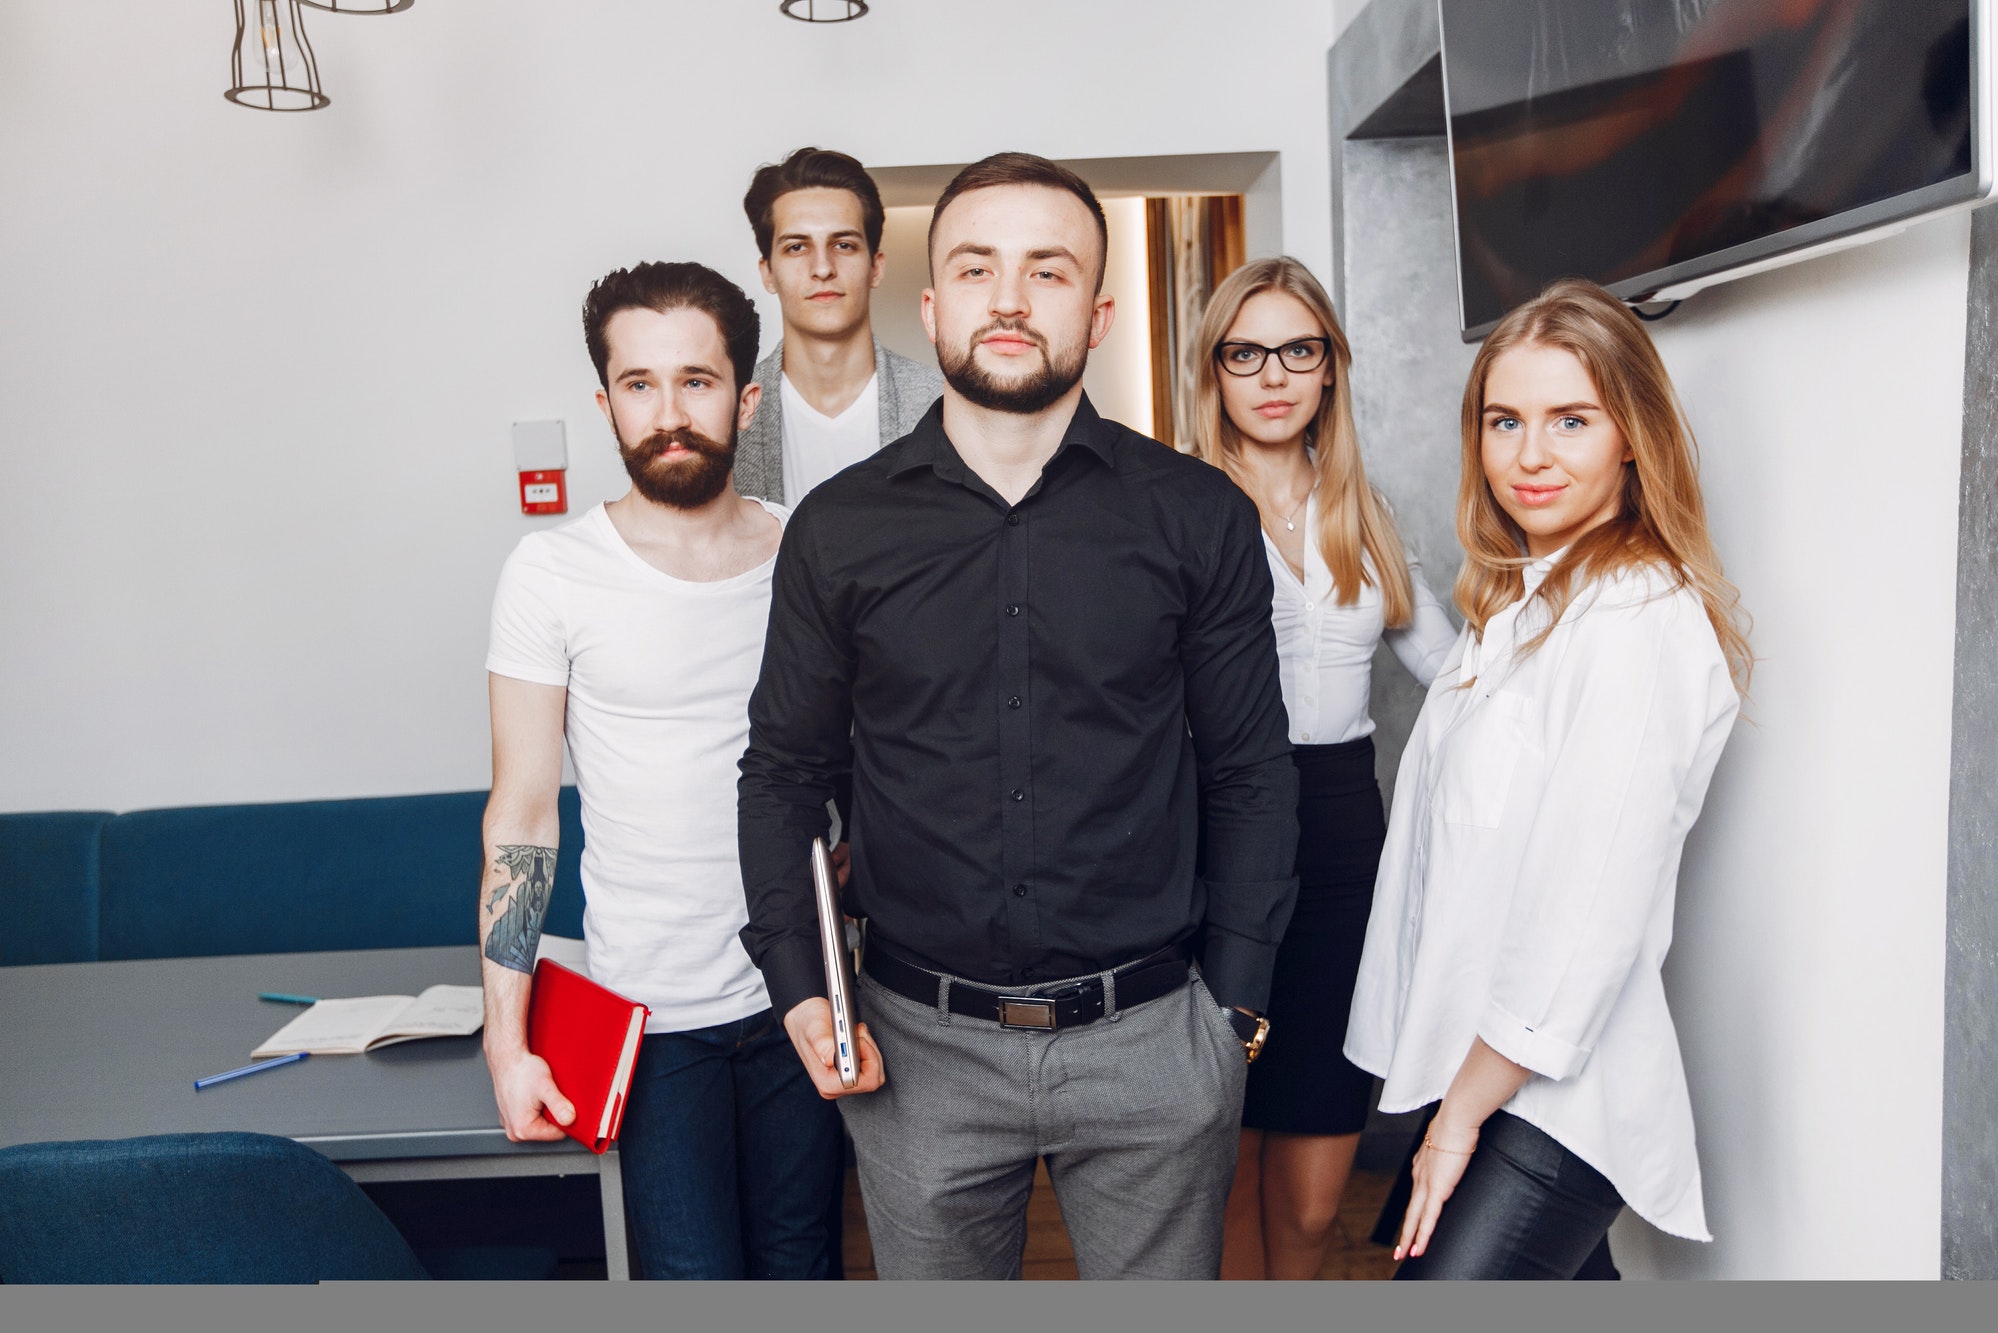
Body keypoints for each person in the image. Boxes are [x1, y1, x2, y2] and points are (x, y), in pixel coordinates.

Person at [736, 152, 1300, 1280]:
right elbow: (784, 774)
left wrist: (1230, 1013)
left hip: (1151, 1041)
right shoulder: (837, 533)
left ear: (1094, 315)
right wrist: (800, 982)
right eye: (976, 268)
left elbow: (1249, 770)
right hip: (916, 1050)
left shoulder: (1195, 517)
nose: (1007, 298)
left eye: (1044, 272)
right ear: (932, 303)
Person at [1345, 278, 1753, 1279]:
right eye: (1503, 420)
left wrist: (1457, 1120)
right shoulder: (1522, 610)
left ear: (1629, 436)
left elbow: (1585, 910)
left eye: (1569, 419)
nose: (1528, 455)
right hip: (1491, 1078)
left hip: (1557, 1104)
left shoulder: (1632, 621)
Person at [478, 261, 843, 1279]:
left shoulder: (807, 553)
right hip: (650, 1023)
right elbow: (521, 816)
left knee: (807, 1270)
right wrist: (508, 1046)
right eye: (638, 385)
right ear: (605, 403)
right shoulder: (549, 574)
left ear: (746, 396)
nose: (668, 412)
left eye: (696, 380)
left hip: (801, 997)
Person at [1190, 258, 1458, 1281]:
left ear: (1328, 369)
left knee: (1307, 1206)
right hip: (1213, 841)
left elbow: (1452, 671)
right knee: (1216, 1178)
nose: (1272, 374)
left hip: (1345, 841)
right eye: (1244, 352)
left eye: (1297, 350)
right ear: (1212, 370)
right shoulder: (1176, 505)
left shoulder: (1363, 510)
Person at [736, 146, 945, 507]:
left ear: (875, 267)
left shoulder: (942, 404)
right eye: (797, 247)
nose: (822, 268)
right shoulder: (726, 415)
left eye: (844, 245)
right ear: (767, 273)